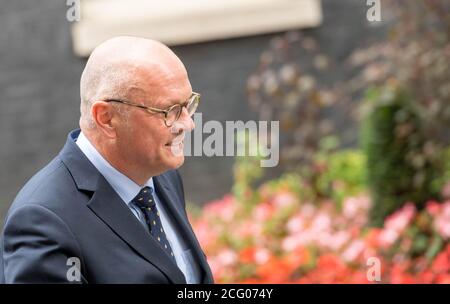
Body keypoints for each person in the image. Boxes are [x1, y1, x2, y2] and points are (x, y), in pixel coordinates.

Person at [0, 36, 214, 284]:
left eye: (188, 104)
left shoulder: (162, 175)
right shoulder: (42, 221)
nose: (188, 123)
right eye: (170, 111)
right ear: (106, 118)